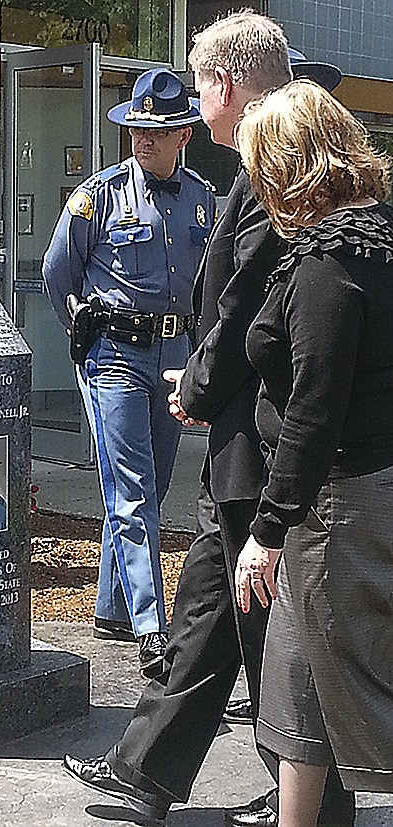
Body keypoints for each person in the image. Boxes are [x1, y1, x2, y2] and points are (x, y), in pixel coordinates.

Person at [62, 12, 354, 827]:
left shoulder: (271, 171)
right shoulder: (250, 167)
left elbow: (244, 304)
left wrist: (195, 382)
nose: (195, 104)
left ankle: (313, 792)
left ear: (225, 85)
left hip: (258, 434)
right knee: (209, 605)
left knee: (259, 615)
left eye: (199, 86)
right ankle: (148, 769)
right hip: (237, 433)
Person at [233, 80, 393, 825]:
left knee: (362, 693)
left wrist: (266, 531)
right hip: (349, 494)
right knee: (298, 687)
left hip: (338, 506)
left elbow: (314, 410)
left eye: (258, 166)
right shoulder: (377, 237)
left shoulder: (328, 263)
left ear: (286, 164)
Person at [42, 67, 215, 678]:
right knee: (132, 489)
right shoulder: (98, 197)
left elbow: (206, 288)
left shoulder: (202, 200)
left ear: (183, 137)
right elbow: (58, 273)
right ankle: (150, 625)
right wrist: (82, 332)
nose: (144, 140)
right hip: (113, 354)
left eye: (157, 131)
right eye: (136, 129)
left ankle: (113, 606)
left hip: (175, 359)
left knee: (155, 484)